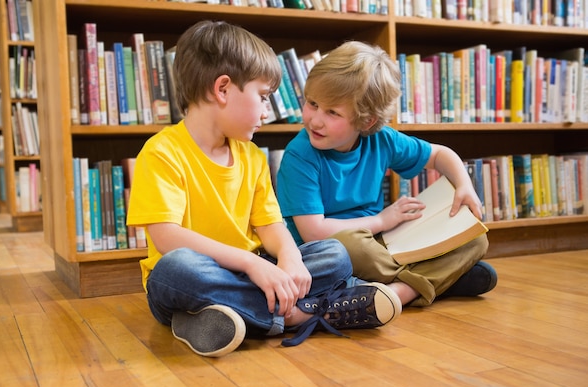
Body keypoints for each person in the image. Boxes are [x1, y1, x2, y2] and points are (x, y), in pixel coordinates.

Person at [126, 21, 402, 358]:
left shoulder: (252, 156)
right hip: (195, 278)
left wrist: (288, 256)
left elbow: (271, 226)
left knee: (334, 255)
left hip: (254, 272)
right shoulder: (162, 152)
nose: (268, 110)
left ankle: (214, 317)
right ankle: (301, 315)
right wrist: (252, 265)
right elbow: (167, 238)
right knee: (177, 269)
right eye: (263, 96)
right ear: (223, 89)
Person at [276, 40, 497, 309]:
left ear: (366, 121)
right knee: (346, 248)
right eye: (312, 103)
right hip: (328, 249)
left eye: (332, 112)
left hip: (381, 241)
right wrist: (381, 219)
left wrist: (464, 185)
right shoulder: (300, 155)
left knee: (474, 239)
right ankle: (433, 281)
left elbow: (440, 155)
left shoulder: (382, 139)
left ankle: (397, 291)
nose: (315, 119)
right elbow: (314, 232)